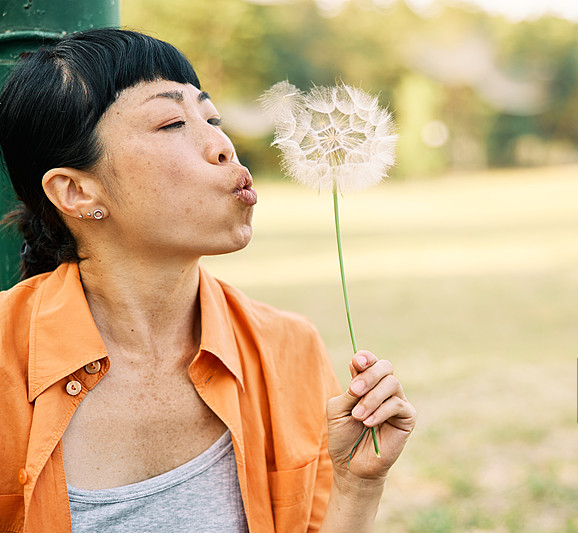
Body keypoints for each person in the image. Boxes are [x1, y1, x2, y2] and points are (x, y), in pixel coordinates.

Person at [0, 28, 415, 533]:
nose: (221, 145)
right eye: (172, 122)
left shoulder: (289, 348)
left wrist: (358, 487)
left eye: (212, 118)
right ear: (76, 191)